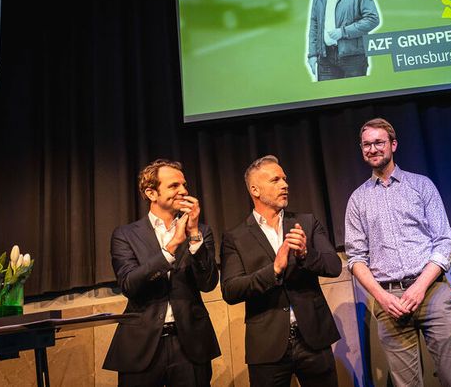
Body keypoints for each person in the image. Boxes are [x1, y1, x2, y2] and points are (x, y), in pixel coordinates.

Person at [344, 118, 451, 387]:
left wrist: (419, 288)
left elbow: (444, 242)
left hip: (432, 292)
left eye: (379, 142)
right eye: (366, 144)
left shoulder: (421, 185)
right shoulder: (357, 199)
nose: (373, 149)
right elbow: (355, 258)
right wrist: (382, 297)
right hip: (389, 299)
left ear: (393, 144)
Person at [220, 155, 341, 386]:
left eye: (284, 179)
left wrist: (306, 254)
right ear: (255, 190)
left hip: (313, 340)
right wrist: (274, 270)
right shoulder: (235, 237)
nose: (285, 185)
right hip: (267, 347)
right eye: (275, 180)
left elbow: (334, 266)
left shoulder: (306, 222)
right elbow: (231, 290)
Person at [103, 159, 220, 386]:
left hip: (190, 343)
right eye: (174, 186)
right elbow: (128, 283)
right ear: (151, 193)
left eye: (184, 185)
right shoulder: (125, 235)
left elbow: (208, 283)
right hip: (142, 346)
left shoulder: (201, 231)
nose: (183, 191)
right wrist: (171, 247)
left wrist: (193, 234)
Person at [307, 0, 380, 81]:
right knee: (330, 98)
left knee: (357, 96)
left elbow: (372, 19)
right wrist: (312, 55)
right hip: (325, 57)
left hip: (353, 57)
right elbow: (314, 25)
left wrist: (343, 32)